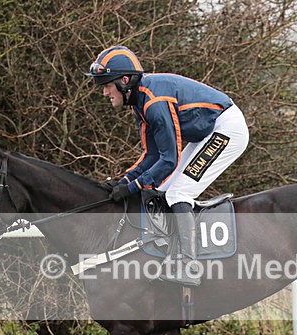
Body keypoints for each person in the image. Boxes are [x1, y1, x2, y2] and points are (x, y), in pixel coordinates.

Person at [86, 46, 249, 286]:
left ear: (124, 80)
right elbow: (152, 155)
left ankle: (189, 265)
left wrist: (132, 188)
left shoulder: (153, 103)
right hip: (204, 132)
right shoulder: (139, 102)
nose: (104, 93)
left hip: (226, 128)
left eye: (106, 85)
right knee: (162, 188)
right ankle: (168, 253)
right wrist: (124, 180)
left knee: (178, 192)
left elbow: (169, 160)